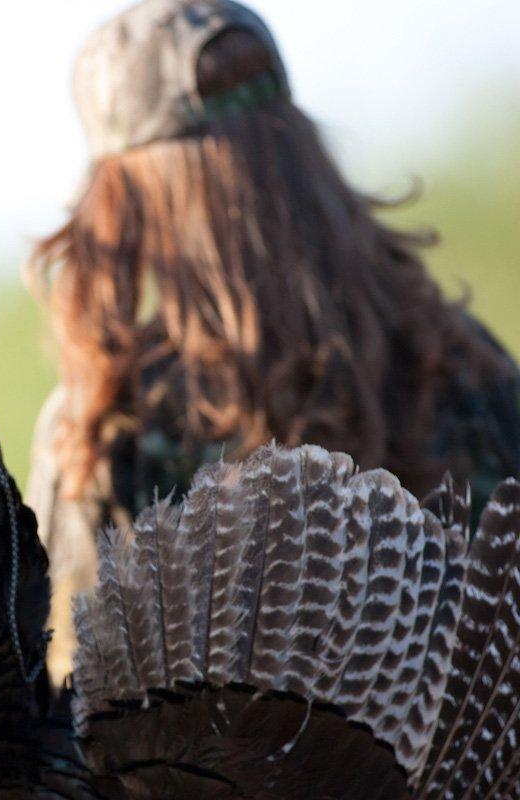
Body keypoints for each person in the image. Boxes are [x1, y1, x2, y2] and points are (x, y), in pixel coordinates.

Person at [26, 0, 520, 680]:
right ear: (305, 155)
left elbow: (73, 726)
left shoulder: (109, 425)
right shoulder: (466, 365)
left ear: (122, 205)